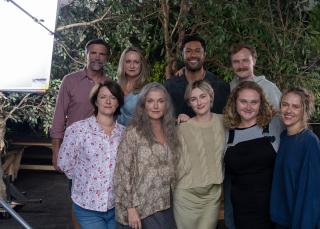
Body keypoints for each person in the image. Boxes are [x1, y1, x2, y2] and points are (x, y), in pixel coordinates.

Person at [50, 38, 110, 229]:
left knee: (103, 201)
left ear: (107, 58)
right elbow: (59, 116)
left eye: (102, 54)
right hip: (77, 152)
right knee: (78, 200)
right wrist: (55, 152)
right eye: (93, 52)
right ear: (86, 54)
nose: (97, 57)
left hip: (104, 152)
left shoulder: (110, 84)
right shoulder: (71, 80)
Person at [224, 44, 283, 229]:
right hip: (239, 197)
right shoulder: (230, 86)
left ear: (254, 61)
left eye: (245, 60)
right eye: (236, 61)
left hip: (267, 195)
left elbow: (285, 123)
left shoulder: (269, 89)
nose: (241, 65)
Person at [57, 80, 125, 229]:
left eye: (113, 97)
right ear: (95, 101)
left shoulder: (125, 134)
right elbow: (64, 163)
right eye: (103, 97)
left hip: (117, 206)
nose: (108, 101)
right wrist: (84, 180)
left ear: (118, 102)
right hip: (87, 206)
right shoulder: (77, 130)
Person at [113, 82, 179, 229]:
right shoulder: (133, 132)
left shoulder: (171, 131)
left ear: (166, 105)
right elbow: (122, 173)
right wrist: (130, 209)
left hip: (165, 203)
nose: (155, 106)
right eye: (150, 101)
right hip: (140, 206)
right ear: (143, 105)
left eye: (160, 101)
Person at [270, 88, 320, 229]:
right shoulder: (283, 137)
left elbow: (312, 194)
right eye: (285, 104)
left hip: (303, 221)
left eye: (295, 106)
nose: (289, 110)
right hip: (285, 217)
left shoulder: (309, 142)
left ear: (304, 111)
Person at [223, 81, 277, 229]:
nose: (248, 107)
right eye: (243, 101)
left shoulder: (274, 125)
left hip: (271, 206)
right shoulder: (226, 131)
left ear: (261, 104)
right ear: (234, 102)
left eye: (254, 102)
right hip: (241, 207)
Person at [173, 80, 225, 229]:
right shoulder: (181, 128)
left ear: (211, 97)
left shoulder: (224, 122)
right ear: (189, 103)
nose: (199, 102)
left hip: (212, 196)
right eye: (193, 99)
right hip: (185, 195)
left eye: (203, 96)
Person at [164, 35, 230, 117]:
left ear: (204, 54)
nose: (193, 55)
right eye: (188, 51)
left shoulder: (221, 87)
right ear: (182, 55)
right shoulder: (170, 87)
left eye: (197, 51)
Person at [116, 46, 149, 126]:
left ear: (141, 65)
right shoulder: (114, 87)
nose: (132, 66)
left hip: (137, 135)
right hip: (113, 135)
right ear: (122, 64)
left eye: (136, 62)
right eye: (128, 62)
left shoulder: (147, 90)